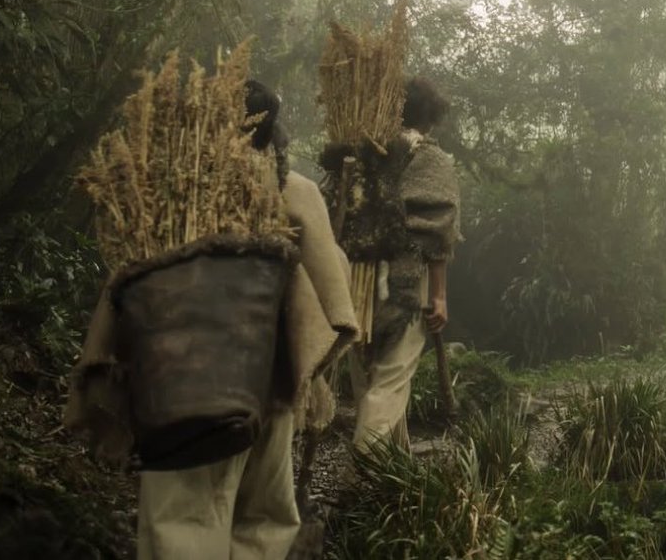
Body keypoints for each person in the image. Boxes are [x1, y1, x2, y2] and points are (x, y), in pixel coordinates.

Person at [65, 81, 356, 560]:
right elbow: (333, 299)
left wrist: (107, 381)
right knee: (264, 518)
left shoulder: (163, 194)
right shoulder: (294, 190)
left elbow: (126, 292)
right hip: (271, 390)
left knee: (184, 517)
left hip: (183, 388)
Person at [350, 76, 462, 452]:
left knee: (368, 374)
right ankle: (361, 478)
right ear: (430, 117)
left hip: (357, 278)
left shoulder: (365, 153)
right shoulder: (430, 159)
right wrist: (440, 296)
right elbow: (437, 233)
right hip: (404, 280)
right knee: (391, 380)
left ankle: (393, 473)